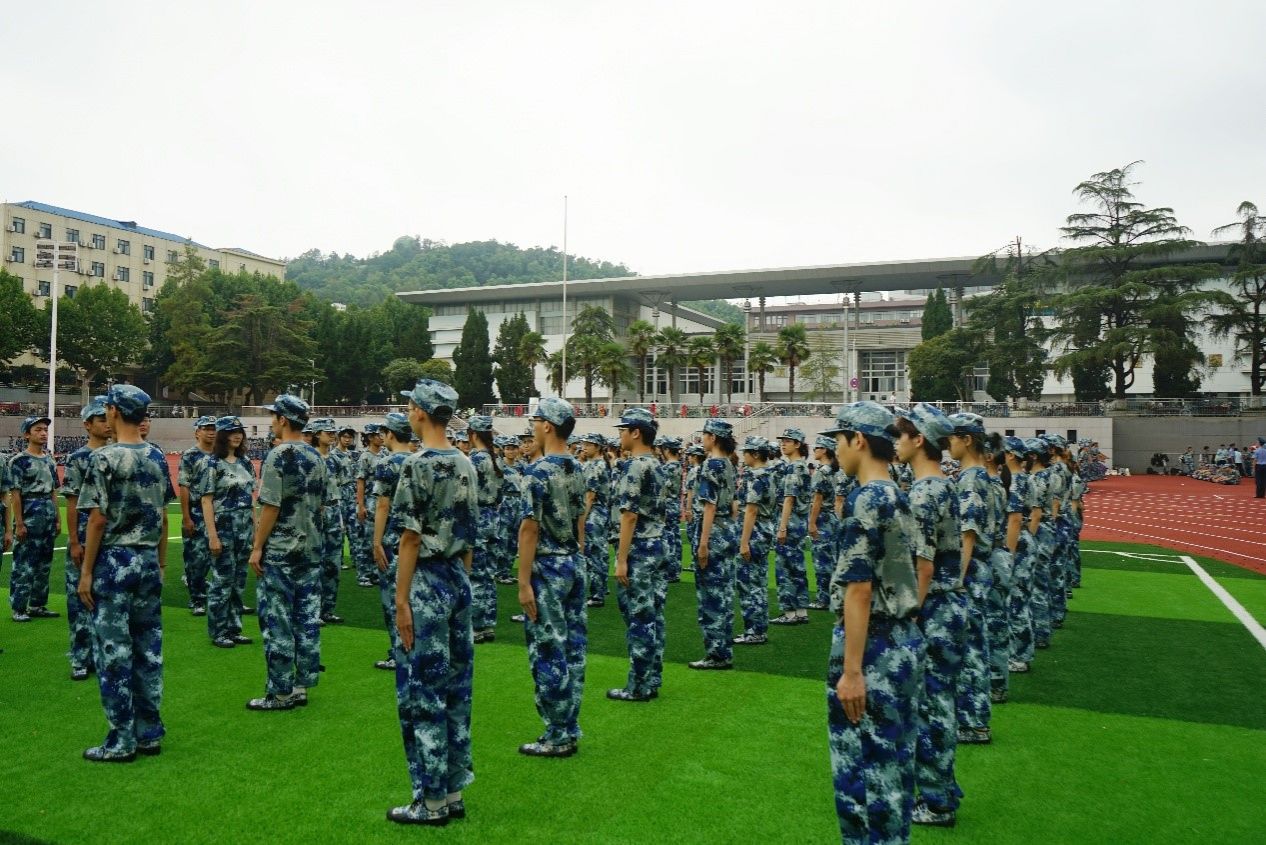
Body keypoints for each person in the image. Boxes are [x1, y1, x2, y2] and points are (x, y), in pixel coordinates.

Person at [824, 402, 923, 844]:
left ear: (859, 440)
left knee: (862, 776)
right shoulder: (897, 494)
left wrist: (851, 671)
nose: (836, 450)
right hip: (903, 640)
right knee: (894, 767)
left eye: (839, 441)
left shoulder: (865, 499)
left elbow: (859, 589)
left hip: (874, 646)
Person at [388, 379, 478, 826]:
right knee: (456, 687)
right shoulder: (466, 463)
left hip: (425, 581)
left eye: (410, 405)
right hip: (457, 578)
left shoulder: (415, 465)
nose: (408, 411)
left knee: (422, 691)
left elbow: (409, 538)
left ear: (421, 412)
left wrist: (401, 599)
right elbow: (469, 536)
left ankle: (431, 800)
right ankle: (453, 790)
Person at [76, 384, 174, 761]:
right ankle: (148, 730)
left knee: (114, 651)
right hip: (147, 559)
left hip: (115, 563)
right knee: (148, 648)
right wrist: (161, 563)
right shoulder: (157, 456)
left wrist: (86, 572)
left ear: (114, 411)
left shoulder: (104, 458)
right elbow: (163, 516)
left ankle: (121, 738)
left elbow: (97, 520)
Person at [895, 405, 961, 828]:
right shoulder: (942, 485)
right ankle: (942, 790)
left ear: (919, 440)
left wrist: (910, 615)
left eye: (901, 436)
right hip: (946, 606)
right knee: (940, 701)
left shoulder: (924, 493)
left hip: (932, 606)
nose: (896, 443)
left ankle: (937, 801)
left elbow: (923, 566)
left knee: (931, 706)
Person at [516, 398, 588, 756]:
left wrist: (523, 581)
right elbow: (580, 518)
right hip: (573, 562)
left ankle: (557, 733)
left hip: (547, 567)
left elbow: (529, 529)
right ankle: (569, 725)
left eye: (536, 421)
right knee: (573, 648)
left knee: (548, 650)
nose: (533, 427)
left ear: (548, 426)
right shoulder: (577, 467)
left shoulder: (538, 472)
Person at [247, 395, 328, 711]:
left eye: (274, 416)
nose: (272, 422)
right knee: (306, 619)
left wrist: (257, 546)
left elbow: (271, 505)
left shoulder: (278, 455)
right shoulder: (316, 457)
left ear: (282, 419)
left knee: (278, 621)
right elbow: (321, 505)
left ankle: (280, 692)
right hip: (311, 549)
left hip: (281, 551)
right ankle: (301, 685)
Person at [608, 407, 665, 702]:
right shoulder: (656, 464)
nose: (620, 435)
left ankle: (639, 685)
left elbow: (629, 515)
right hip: (656, 545)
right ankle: (652, 677)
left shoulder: (635, 466)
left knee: (639, 618)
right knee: (653, 616)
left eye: (623, 429)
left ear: (636, 432)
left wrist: (621, 559)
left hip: (639, 548)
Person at [947, 412, 995, 745]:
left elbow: (968, 533)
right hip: (977, 571)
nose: (947, 444)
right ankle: (972, 718)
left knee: (971, 648)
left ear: (967, 440)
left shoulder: (971, 479)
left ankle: (975, 722)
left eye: (952, 437)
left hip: (971, 572)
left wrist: (956, 580)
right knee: (972, 645)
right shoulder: (976, 475)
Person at [61, 399, 110, 679]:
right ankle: (81, 658)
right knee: (79, 599)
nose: (107, 424)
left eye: (108, 418)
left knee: (109, 600)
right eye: (100, 419)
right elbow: (71, 503)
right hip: (83, 533)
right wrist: (75, 541)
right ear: (87, 425)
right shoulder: (78, 458)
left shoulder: (118, 454)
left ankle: (105, 656)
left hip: (112, 537)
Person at [198, 416, 257, 649]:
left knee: (239, 581)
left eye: (240, 431)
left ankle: (234, 628)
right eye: (232, 432)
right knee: (222, 581)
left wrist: (255, 530)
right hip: (223, 527)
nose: (237, 435)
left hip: (244, 527)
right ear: (222, 435)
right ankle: (218, 630)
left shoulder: (246, 462)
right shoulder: (211, 463)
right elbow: (206, 501)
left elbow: (251, 498)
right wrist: (212, 536)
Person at [690, 419, 738, 670]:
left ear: (714, 437)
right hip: (727, 529)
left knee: (711, 596)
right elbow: (733, 504)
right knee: (724, 592)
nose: (703, 438)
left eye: (705, 434)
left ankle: (716, 653)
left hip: (714, 530)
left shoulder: (711, 464)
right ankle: (723, 648)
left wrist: (703, 543)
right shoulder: (729, 463)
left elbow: (709, 506)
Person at [370, 412, 415, 671]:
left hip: (393, 539)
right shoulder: (419, 460)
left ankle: (399, 652)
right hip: (417, 540)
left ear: (390, 434)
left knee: (393, 599)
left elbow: (382, 505)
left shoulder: (387, 464)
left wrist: (376, 542)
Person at [8, 415, 60, 622]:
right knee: (24, 564)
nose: (43, 433)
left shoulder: (49, 460)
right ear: (27, 434)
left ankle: (37, 604)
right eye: (38, 429)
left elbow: (54, 491)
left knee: (44, 564)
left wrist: (57, 519)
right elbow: (15, 494)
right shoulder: (19, 461)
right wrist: (19, 523)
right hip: (29, 515)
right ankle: (19, 607)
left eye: (45, 429)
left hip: (47, 515)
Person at [466, 416, 504, 644]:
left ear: (473, 434)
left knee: (477, 574)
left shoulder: (475, 459)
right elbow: (500, 494)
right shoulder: (494, 458)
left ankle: (477, 625)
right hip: (492, 518)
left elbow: (466, 494)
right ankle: (488, 623)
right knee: (489, 574)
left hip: (478, 517)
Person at [735, 437, 774, 646]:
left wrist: (743, 542)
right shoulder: (768, 474)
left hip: (755, 531)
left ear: (756, 454)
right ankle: (758, 628)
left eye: (747, 452)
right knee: (757, 581)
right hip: (763, 529)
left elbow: (751, 510)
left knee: (749, 583)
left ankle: (754, 630)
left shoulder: (757, 476)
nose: (744, 456)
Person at [308, 418, 346, 626]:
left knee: (333, 564)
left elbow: (339, 489)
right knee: (314, 563)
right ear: (316, 434)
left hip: (333, 510)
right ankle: (312, 610)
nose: (332, 435)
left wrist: (339, 517)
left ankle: (328, 609)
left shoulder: (335, 460)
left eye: (333, 432)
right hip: (314, 513)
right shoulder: (309, 459)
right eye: (327, 432)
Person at [177, 416, 217, 616]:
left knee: (220, 558)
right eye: (206, 428)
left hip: (218, 513)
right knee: (196, 559)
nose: (211, 432)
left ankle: (223, 598)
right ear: (197, 432)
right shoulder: (190, 455)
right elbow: (184, 486)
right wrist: (186, 517)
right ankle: (197, 599)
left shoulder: (221, 454)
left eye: (213, 428)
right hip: (196, 512)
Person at [1002, 438, 1035, 675]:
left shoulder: (1015, 480)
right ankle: (1021, 652)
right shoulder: (1025, 478)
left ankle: (1019, 656)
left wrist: (1008, 554)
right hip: (1025, 539)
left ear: (1011, 455)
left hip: (1017, 542)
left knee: (1016, 600)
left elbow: (1014, 519)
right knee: (1022, 598)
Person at [772, 428, 811, 626]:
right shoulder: (802, 466)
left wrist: (782, 527)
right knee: (797, 566)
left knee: (784, 568)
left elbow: (789, 499)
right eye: (782, 440)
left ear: (797, 444)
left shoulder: (793, 468)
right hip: (800, 521)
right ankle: (801, 610)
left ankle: (789, 612)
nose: (783, 444)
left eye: (788, 441)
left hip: (791, 521)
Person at [578, 433, 612, 608]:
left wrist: (582, 519)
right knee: (598, 552)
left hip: (594, 513)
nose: (584, 447)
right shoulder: (595, 464)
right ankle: (601, 588)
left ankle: (597, 593)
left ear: (598, 447)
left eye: (588, 444)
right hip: (599, 512)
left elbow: (590, 496)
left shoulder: (595, 466)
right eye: (583, 444)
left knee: (594, 552)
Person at [807, 435, 840, 610]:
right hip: (831, 517)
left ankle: (823, 598)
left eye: (817, 448)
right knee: (831, 559)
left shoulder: (821, 472)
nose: (814, 451)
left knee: (821, 560)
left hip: (823, 518)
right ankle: (833, 596)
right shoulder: (834, 470)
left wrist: (812, 522)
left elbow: (817, 500)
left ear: (824, 450)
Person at [354, 424, 385, 587]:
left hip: (381, 502)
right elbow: (360, 482)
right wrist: (361, 505)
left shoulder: (385, 455)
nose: (381, 437)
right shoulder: (365, 457)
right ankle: (363, 574)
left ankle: (374, 573)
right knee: (365, 541)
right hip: (369, 502)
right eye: (378, 435)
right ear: (370, 438)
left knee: (378, 539)